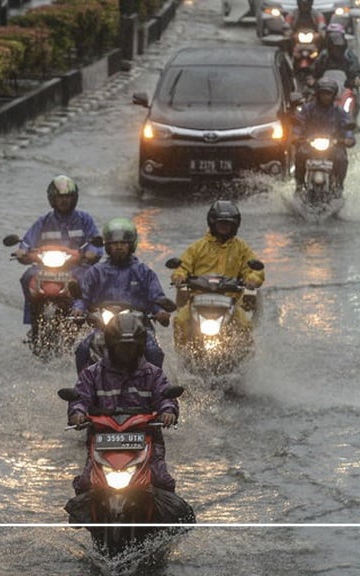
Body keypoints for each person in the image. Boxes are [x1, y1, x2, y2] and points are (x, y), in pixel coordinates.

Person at [66, 314, 179, 494]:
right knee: (85, 484)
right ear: (111, 345)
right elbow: (80, 397)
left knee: (162, 480)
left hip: (145, 438)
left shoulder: (153, 374)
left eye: (131, 347)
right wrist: (77, 413)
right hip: (103, 439)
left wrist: (168, 411)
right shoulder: (93, 374)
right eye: (122, 347)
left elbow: (165, 395)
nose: (127, 352)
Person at [72, 218, 172, 372]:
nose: (119, 247)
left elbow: (156, 297)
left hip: (139, 327)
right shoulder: (96, 272)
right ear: (107, 246)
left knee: (154, 351)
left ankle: (156, 388)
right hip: (104, 327)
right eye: (114, 243)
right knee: (83, 349)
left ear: (131, 245)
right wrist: (78, 309)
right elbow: (83, 297)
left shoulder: (143, 271)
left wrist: (160, 312)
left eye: (123, 243)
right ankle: (84, 389)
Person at [170, 201, 266, 348]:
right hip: (198, 300)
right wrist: (179, 276)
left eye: (228, 223)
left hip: (230, 302)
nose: (224, 227)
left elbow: (255, 268)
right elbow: (183, 265)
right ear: (212, 223)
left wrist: (252, 279)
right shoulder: (197, 247)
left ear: (235, 225)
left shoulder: (242, 248)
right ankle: (182, 356)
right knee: (180, 321)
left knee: (245, 326)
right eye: (221, 223)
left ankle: (244, 360)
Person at [15, 175, 103, 328]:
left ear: (74, 198)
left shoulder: (84, 220)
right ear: (52, 199)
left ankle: (82, 312)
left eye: (68, 197)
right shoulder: (43, 221)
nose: (64, 200)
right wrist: (22, 251)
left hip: (76, 266)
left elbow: (95, 242)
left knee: (87, 279)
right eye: (60, 197)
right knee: (27, 277)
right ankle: (32, 318)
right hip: (45, 267)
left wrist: (92, 252)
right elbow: (27, 241)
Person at [293, 77, 356, 190]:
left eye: (328, 94)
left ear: (333, 95)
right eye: (323, 93)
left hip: (334, 146)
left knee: (342, 159)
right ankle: (299, 184)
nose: (325, 97)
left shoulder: (339, 111)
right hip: (309, 145)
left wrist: (349, 138)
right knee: (300, 155)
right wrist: (296, 135)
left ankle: (339, 186)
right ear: (318, 94)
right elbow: (299, 123)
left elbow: (347, 125)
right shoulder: (308, 109)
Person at [311, 23, 360, 96]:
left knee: (354, 94)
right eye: (334, 48)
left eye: (339, 48)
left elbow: (355, 69)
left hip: (345, 90)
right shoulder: (323, 56)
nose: (336, 50)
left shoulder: (349, 55)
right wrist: (312, 78)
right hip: (326, 92)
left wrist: (356, 78)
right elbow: (315, 70)